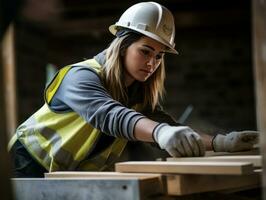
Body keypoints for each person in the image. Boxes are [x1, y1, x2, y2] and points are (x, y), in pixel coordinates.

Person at [8, 2, 258, 178]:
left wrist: (222, 142)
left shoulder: (136, 96)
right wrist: (160, 132)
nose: (152, 63)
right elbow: (109, 115)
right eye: (145, 51)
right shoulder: (81, 76)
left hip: (63, 175)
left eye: (159, 56)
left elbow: (169, 131)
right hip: (23, 166)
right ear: (123, 45)